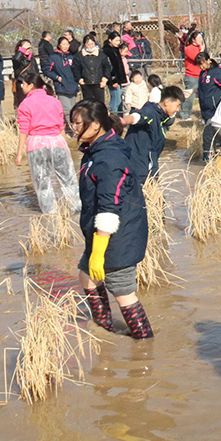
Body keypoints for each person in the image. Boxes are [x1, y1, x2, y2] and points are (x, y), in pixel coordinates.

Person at [71, 100, 153, 339]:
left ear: (96, 125)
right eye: (72, 123)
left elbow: (109, 207)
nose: (73, 129)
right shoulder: (96, 149)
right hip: (100, 234)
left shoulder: (109, 158)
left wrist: (100, 249)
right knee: (86, 276)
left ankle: (144, 342)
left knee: (122, 291)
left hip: (118, 236)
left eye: (78, 124)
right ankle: (104, 328)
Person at [15, 72, 81, 214]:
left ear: (31, 86)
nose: (21, 86)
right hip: (57, 141)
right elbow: (60, 126)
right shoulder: (54, 101)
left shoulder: (25, 104)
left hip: (37, 144)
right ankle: (76, 208)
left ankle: (50, 213)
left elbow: (24, 130)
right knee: (68, 178)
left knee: (42, 182)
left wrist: (19, 153)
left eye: (23, 84)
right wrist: (65, 145)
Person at [122, 85, 184, 181]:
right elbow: (137, 117)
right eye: (177, 105)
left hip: (146, 163)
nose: (177, 110)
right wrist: (123, 121)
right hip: (140, 168)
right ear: (166, 102)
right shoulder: (150, 112)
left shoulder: (161, 116)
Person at [43, 36, 79, 129]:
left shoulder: (71, 56)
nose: (65, 46)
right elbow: (47, 70)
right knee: (67, 109)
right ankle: (73, 129)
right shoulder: (54, 57)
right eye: (63, 44)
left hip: (73, 86)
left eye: (67, 44)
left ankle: (73, 127)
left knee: (73, 109)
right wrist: (57, 77)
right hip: (61, 86)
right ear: (59, 45)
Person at [196, 52, 221, 122]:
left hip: (213, 107)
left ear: (208, 61)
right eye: (199, 65)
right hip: (204, 106)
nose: (200, 67)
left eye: (202, 64)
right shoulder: (202, 73)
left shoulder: (216, 72)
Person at [103, 32, 129, 114]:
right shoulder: (107, 51)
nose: (118, 43)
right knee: (115, 100)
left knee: (119, 100)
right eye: (116, 40)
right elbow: (109, 67)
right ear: (110, 40)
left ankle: (120, 118)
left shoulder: (115, 49)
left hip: (119, 78)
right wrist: (113, 80)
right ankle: (114, 118)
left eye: (119, 40)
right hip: (114, 80)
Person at [181, 28, 204, 119]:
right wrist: (202, 51)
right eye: (198, 38)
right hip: (191, 76)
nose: (201, 40)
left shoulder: (200, 48)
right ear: (193, 40)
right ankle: (185, 115)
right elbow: (197, 59)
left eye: (201, 38)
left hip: (201, 75)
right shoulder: (189, 49)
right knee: (189, 96)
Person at [12, 39, 38, 111]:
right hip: (22, 85)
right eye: (25, 48)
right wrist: (21, 51)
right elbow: (16, 59)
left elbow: (36, 72)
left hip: (32, 85)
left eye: (29, 48)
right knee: (23, 104)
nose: (28, 50)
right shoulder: (17, 59)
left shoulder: (32, 59)